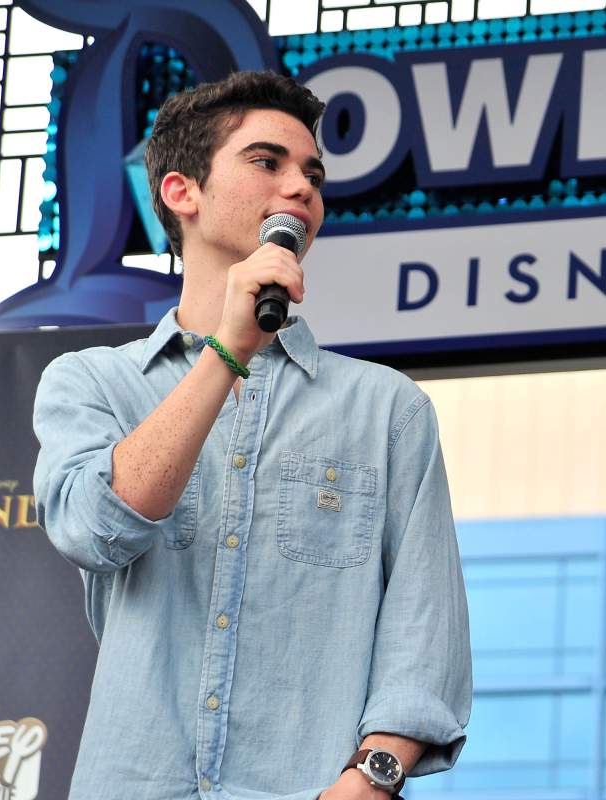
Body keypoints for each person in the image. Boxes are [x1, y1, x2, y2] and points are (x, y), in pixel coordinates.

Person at [32, 71, 470, 800]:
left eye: (313, 174)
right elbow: (94, 528)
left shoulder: (387, 408)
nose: (301, 187)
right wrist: (225, 351)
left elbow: (425, 636)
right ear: (182, 193)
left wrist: (369, 781)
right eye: (268, 163)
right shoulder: (91, 382)